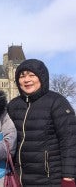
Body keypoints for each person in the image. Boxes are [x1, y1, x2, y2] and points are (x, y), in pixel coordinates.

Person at [7, 59, 76, 187]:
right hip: (20, 178)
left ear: (41, 77)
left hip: (49, 178)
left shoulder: (57, 102)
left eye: (31, 75)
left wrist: (68, 177)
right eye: (22, 76)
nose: (26, 80)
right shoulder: (13, 105)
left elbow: (70, 141)